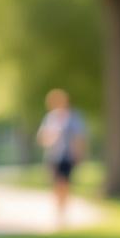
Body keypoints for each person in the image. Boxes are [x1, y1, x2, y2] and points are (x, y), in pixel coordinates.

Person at [36, 88, 86, 230]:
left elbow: (79, 137)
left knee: (65, 183)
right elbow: (42, 138)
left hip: (68, 155)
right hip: (53, 155)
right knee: (56, 184)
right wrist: (50, 137)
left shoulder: (73, 117)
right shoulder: (50, 118)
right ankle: (58, 210)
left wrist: (79, 153)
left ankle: (63, 212)